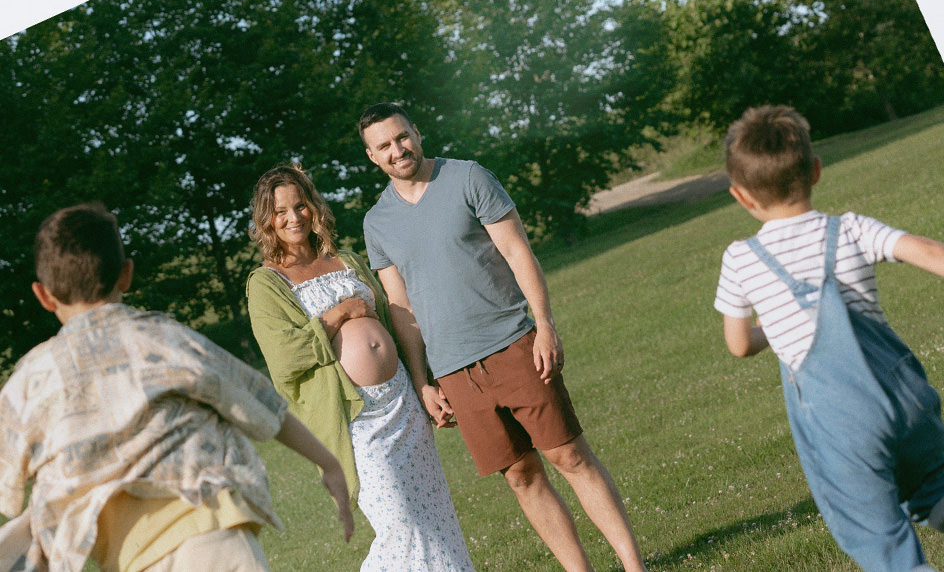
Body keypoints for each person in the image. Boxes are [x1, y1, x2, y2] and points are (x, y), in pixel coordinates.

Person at [714, 105, 944, 572]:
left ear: (740, 196)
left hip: (841, 420)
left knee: (876, 534)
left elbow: (738, 344)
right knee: (928, 481)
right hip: (905, 395)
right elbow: (925, 250)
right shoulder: (850, 228)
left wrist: (779, 320)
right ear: (814, 171)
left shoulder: (741, 259)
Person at [358, 101, 647, 572]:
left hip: (513, 343)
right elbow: (401, 309)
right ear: (372, 157)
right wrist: (422, 381)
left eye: (402, 137)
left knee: (569, 455)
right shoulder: (377, 223)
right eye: (384, 146)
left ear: (417, 132)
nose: (398, 150)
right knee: (521, 476)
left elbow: (517, 251)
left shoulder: (468, 177)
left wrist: (545, 325)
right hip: (454, 372)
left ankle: (635, 567)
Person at [0, 201, 353, 572]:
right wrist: (328, 463)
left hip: (133, 558)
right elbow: (257, 400)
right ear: (126, 275)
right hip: (214, 530)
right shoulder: (164, 338)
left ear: (43, 295)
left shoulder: (30, 380)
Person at [245, 163, 474, 572]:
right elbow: (285, 359)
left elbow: (394, 323)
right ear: (267, 219)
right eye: (280, 211)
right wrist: (340, 313)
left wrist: (425, 385)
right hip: (355, 419)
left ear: (313, 207)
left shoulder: (347, 260)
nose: (293, 217)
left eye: (300, 205)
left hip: (402, 401)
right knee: (399, 524)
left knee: (436, 513)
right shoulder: (267, 283)